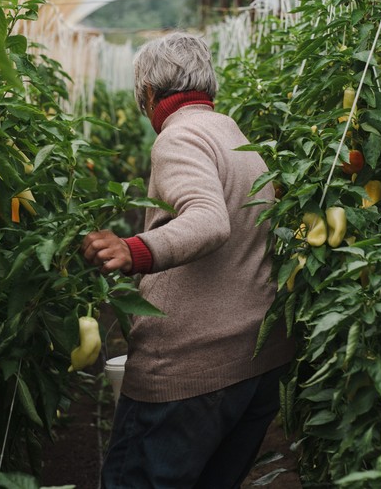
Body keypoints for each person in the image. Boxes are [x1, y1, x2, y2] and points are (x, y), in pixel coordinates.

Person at [81, 31, 295, 489]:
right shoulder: (232, 133)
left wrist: (133, 249)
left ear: (149, 93)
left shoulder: (179, 139)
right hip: (255, 362)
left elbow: (208, 221)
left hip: (191, 371)